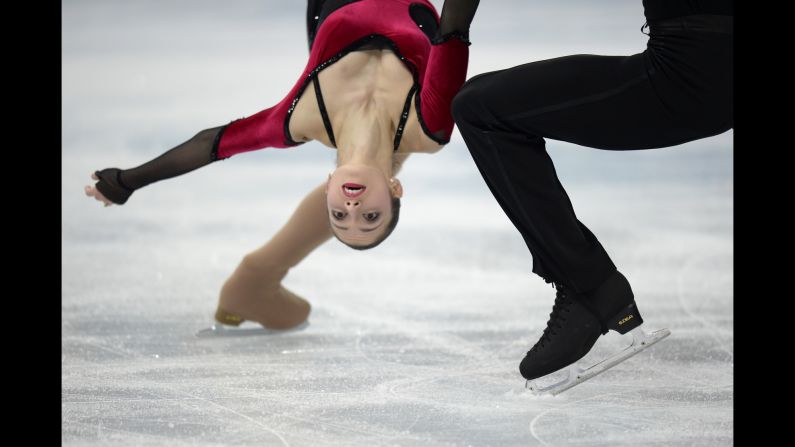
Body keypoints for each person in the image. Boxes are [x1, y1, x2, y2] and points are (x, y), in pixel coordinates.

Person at [84, 0, 480, 330]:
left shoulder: (297, 120)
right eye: (370, 215)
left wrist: (126, 182)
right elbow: (454, 26)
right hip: (403, 69)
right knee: (385, 151)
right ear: (396, 192)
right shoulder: (431, 127)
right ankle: (256, 279)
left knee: (376, 154)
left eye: (339, 214)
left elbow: (213, 144)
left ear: (329, 189)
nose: (353, 208)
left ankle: (256, 277)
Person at [450, 0, 732, 393]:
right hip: (704, 60)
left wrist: (450, 36)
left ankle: (590, 288)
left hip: (691, 73)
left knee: (481, 108)